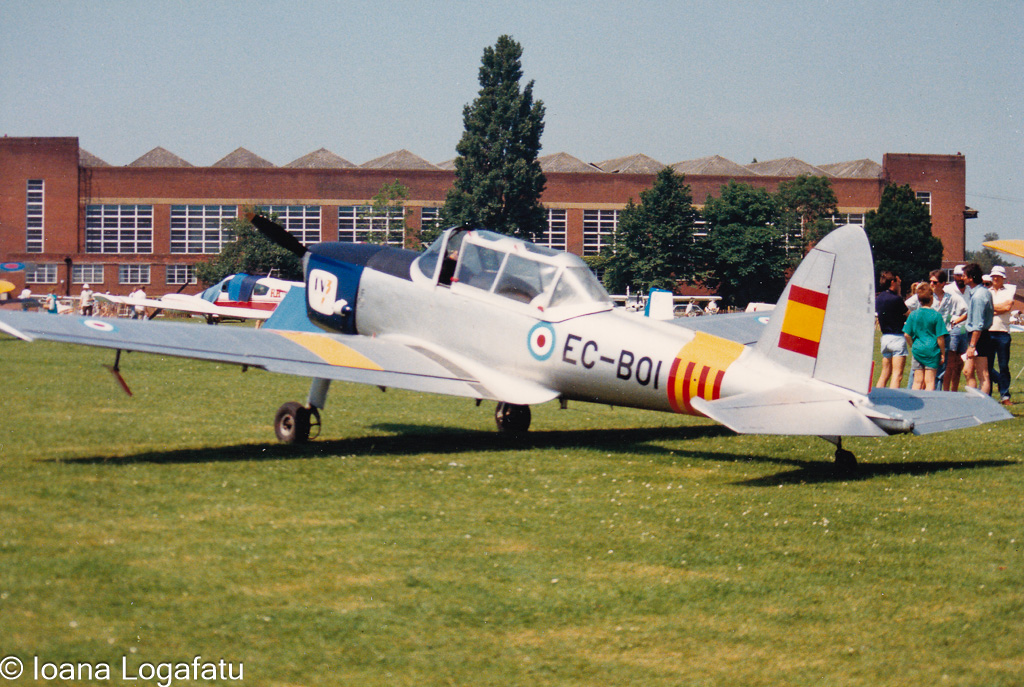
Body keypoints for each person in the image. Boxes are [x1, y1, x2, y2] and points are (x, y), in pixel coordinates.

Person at [903, 283, 948, 391]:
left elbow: (906, 334)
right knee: (930, 381)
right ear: (932, 298)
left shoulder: (913, 314)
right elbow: (940, 338)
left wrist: (912, 346)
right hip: (932, 350)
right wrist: (942, 353)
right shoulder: (936, 316)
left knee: (917, 381)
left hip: (918, 349)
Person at [963, 263, 994, 395]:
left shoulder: (979, 296)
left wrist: (972, 345)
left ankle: (984, 404)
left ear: (971, 278)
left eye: (964, 276)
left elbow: (978, 325)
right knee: (967, 371)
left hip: (978, 338)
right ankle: (974, 400)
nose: (961, 278)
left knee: (982, 373)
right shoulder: (979, 293)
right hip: (975, 337)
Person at [875, 271, 909, 388]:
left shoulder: (879, 298)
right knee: (897, 375)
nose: (900, 283)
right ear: (893, 282)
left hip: (885, 338)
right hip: (897, 338)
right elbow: (909, 315)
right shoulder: (896, 299)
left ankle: (877, 396)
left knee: (885, 374)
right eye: (898, 281)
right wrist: (899, 294)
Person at [987, 265, 1015, 405]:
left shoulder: (1009, 291)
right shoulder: (987, 292)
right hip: (989, 332)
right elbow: (987, 309)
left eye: (998, 276)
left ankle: (1005, 395)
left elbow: (1007, 307)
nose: (995, 278)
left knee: (1004, 365)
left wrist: (992, 308)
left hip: (1003, 332)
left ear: (1003, 278)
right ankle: (988, 394)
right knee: (988, 366)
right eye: (993, 276)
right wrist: (998, 308)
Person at [937, 269, 969, 391]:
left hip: (963, 329)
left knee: (959, 363)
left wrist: (959, 321)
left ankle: (954, 390)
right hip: (952, 330)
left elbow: (967, 310)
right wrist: (951, 321)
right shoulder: (949, 290)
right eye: (958, 275)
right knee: (950, 362)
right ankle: (946, 390)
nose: (960, 278)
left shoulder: (969, 289)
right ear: (954, 275)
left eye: (963, 275)